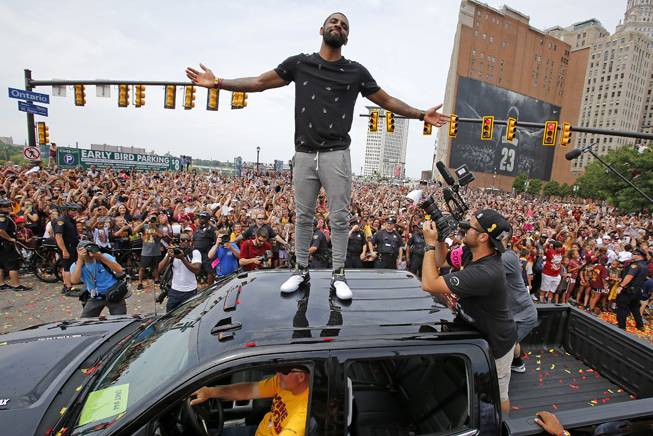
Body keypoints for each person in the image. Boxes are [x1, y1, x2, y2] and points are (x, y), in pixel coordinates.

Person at [186, 12, 450, 301]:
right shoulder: (300, 63)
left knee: (338, 219)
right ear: (322, 29)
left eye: (344, 25)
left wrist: (421, 114)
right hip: (304, 153)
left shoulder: (356, 72)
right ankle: (300, 270)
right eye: (333, 22)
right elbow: (260, 82)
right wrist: (219, 82)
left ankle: (338, 275)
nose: (338, 26)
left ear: (346, 37)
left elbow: (386, 101)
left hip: (336, 153)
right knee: (303, 216)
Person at [420, 209, 517, 414]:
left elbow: (429, 283)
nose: (464, 228)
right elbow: (440, 261)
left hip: (496, 340)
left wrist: (428, 244)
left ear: (483, 237)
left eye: (469, 226)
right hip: (476, 327)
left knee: (497, 396)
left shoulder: (487, 272)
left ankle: (501, 426)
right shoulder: (469, 253)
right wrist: (439, 242)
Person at [191, 366, 309, 436]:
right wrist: (211, 392)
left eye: (283, 371)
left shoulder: (302, 418)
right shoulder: (283, 383)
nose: (277, 374)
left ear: (301, 377)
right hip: (259, 430)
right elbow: (249, 390)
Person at [500, 232, 538, 373]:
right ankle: (517, 362)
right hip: (511, 314)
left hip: (523, 317)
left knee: (505, 344)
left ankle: (512, 365)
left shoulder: (507, 257)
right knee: (511, 342)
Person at [71, 240, 127, 317]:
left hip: (114, 293)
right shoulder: (76, 265)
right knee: (85, 321)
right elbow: (74, 280)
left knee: (120, 320)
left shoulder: (104, 256)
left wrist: (100, 257)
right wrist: (80, 260)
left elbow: (119, 270)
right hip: (95, 297)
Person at [157, 232, 202, 312]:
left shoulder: (194, 252)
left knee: (188, 315)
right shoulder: (173, 252)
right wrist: (168, 256)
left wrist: (182, 258)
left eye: (187, 240)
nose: (185, 242)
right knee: (170, 316)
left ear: (190, 241)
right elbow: (160, 269)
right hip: (174, 291)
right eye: (182, 240)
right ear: (179, 241)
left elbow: (196, 269)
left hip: (190, 291)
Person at [0, 199, 32, 291]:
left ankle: (1, 284)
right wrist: (9, 238)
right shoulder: (3, 217)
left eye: (9, 205)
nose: (9, 207)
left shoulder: (5, 216)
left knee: (1, 265)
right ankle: (15, 285)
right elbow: (1, 230)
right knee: (13, 264)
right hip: (6, 244)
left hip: (2, 244)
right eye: (6, 206)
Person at [615, 248, 648, 331]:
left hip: (628, 290)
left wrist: (621, 286)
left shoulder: (635, 265)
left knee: (622, 307)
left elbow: (630, 276)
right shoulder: (644, 265)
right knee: (635, 308)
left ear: (639, 256)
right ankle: (640, 325)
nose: (632, 255)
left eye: (634, 254)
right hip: (637, 291)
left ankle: (621, 326)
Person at [54, 203, 81, 296]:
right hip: (66, 247)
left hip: (72, 246)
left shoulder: (70, 220)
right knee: (67, 267)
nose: (75, 212)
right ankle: (68, 288)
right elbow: (58, 236)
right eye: (73, 210)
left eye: (75, 210)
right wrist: (64, 250)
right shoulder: (61, 220)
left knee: (67, 266)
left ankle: (66, 285)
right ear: (67, 210)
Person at [133, 214, 163, 290]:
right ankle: (140, 282)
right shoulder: (145, 226)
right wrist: (144, 222)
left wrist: (154, 227)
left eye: (154, 219)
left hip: (156, 251)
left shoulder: (159, 226)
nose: (152, 220)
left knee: (155, 267)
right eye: (151, 219)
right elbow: (134, 230)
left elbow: (161, 235)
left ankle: (156, 279)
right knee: (142, 268)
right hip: (146, 251)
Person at [193, 211, 217, 285]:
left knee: (210, 271)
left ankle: (210, 287)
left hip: (207, 254)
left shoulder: (211, 229)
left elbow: (216, 241)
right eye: (200, 217)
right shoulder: (197, 228)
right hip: (197, 253)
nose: (200, 219)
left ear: (207, 219)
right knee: (195, 269)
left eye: (203, 218)